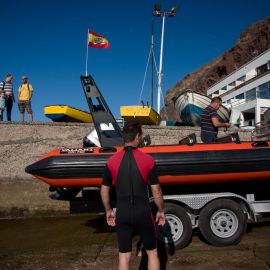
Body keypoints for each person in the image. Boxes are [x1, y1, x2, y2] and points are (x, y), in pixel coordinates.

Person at [100, 122, 166, 270]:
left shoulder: (111, 161)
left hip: (122, 212)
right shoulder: (148, 160)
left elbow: (104, 190)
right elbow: (156, 190)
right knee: (152, 253)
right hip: (143, 211)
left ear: (124, 138)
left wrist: (109, 210)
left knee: (124, 255)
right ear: (138, 136)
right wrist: (161, 210)